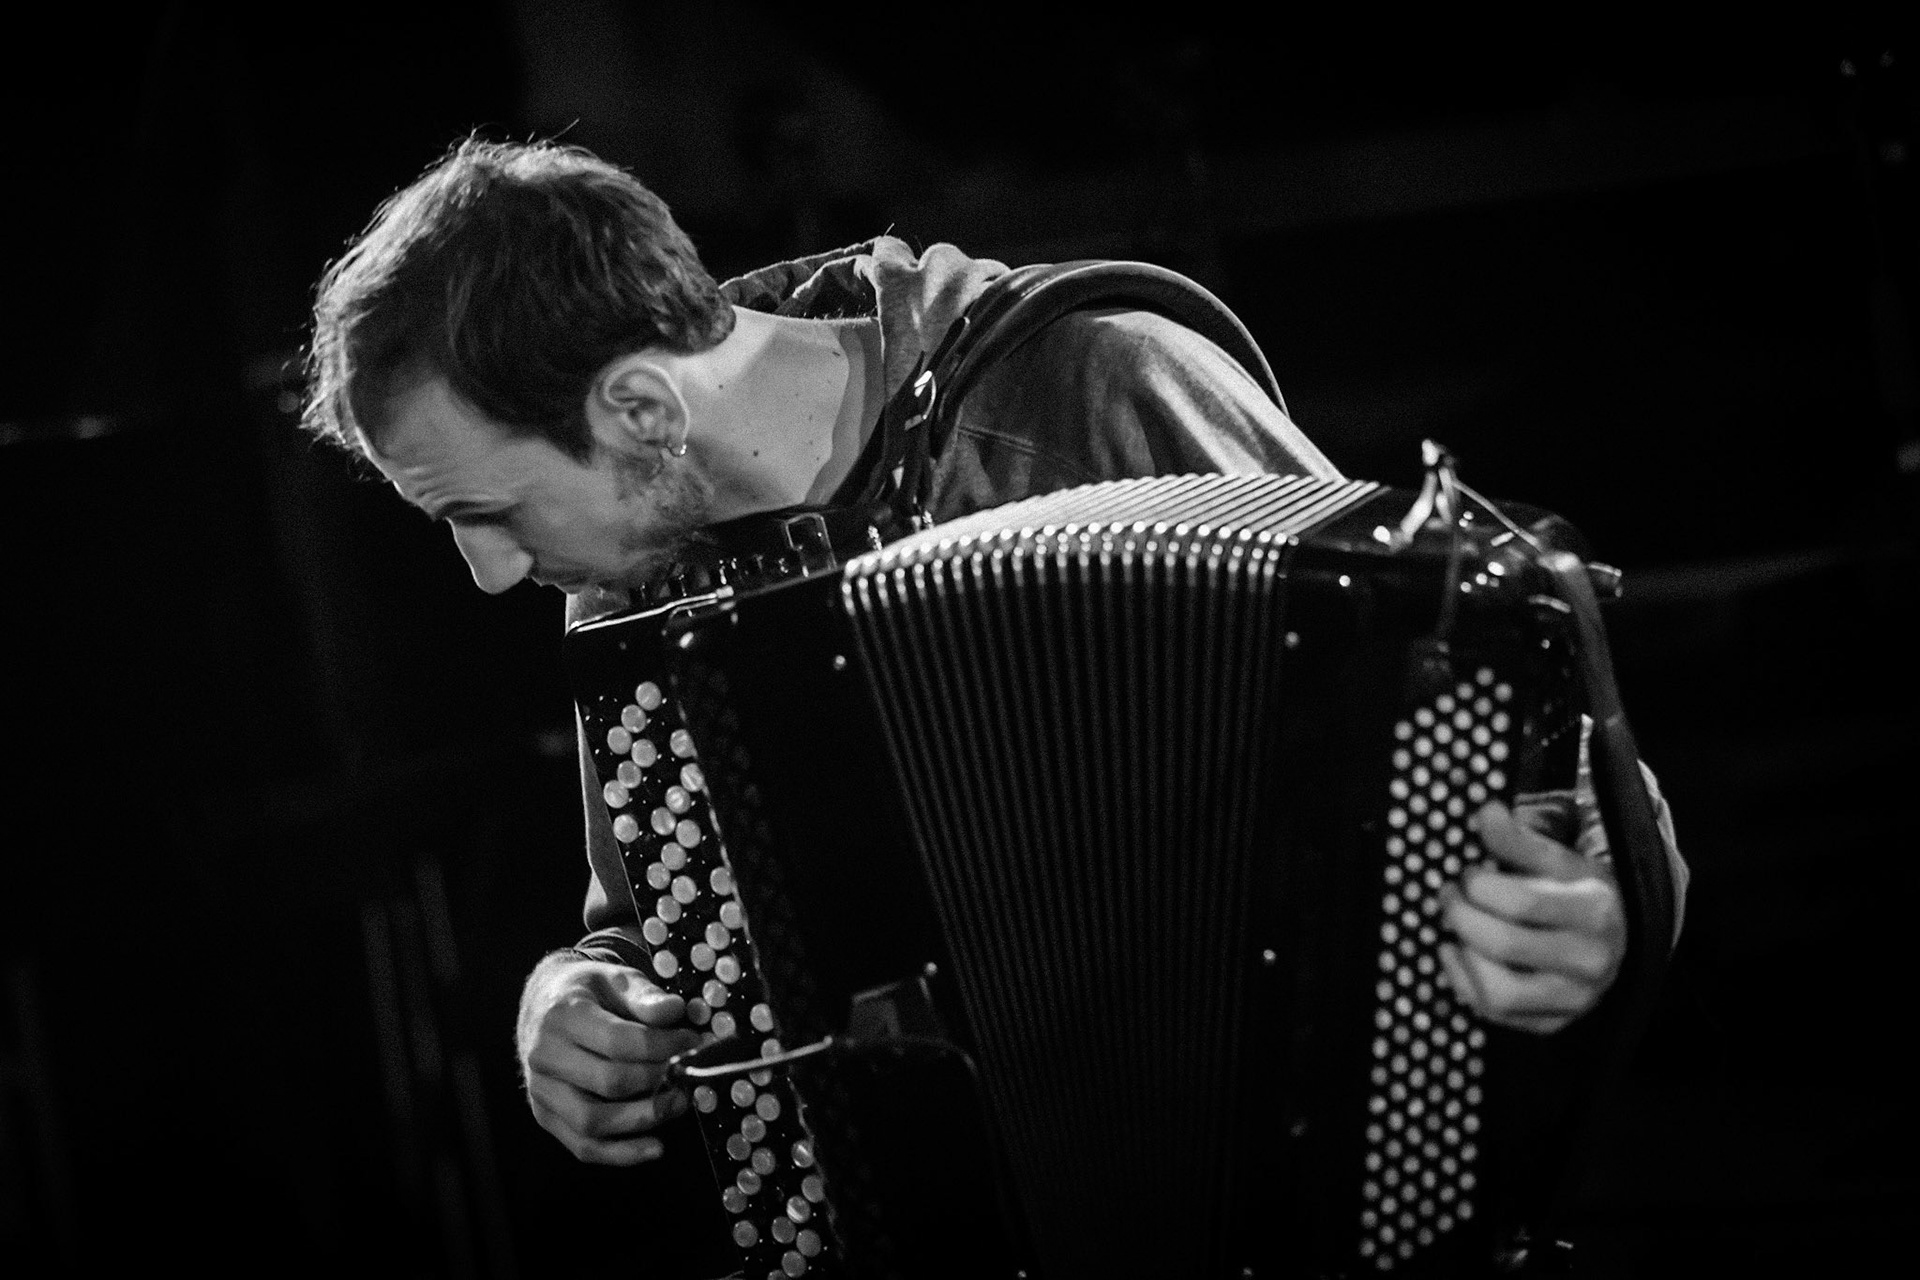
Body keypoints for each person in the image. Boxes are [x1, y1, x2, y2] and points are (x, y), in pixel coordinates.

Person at [301, 137, 1685, 1172]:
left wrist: (1595, 903)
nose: (487, 573)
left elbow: (1499, 697)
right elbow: (648, 933)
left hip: (1285, 1169)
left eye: (486, 513)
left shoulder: (1088, 384)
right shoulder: (635, 574)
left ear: (644, 405)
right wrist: (572, 998)